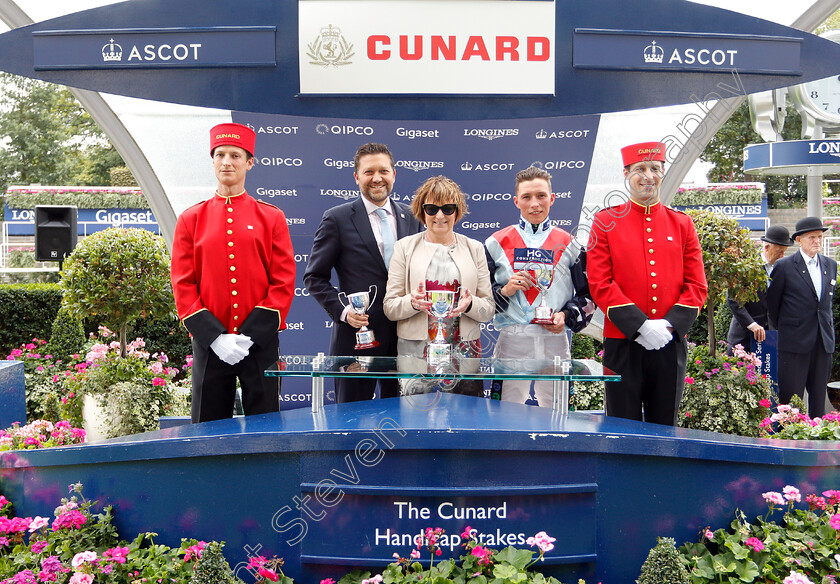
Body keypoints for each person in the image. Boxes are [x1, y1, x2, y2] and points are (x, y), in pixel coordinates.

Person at [170, 122, 295, 423]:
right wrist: (215, 338)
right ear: (212, 161)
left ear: (250, 162)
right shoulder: (191, 219)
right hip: (211, 345)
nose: (227, 161)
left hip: (260, 343)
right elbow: (183, 283)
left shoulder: (271, 217)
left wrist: (249, 335)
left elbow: (283, 280)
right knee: (207, 429)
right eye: (220, 154)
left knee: (265, 428)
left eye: (236, 155)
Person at [587, 141, 707, 425]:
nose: (648, 175)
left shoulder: (682, 224)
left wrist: (668, 325)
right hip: (622, 341)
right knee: (621, 424)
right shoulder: (605, 221)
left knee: (665, 424)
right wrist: (639, 325)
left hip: (669, 341)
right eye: (640, 168)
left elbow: (697, 284)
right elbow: (599, 281)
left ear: (663, 172)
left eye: (655, 168)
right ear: (626, 175)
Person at [304, 143, 423, 403]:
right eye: (369, 172)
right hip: (357, 338)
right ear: (356, 177)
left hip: (405, 336)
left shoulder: (412, 217)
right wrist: (344, 312)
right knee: (351, 420)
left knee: (404, 417)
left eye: (383, 171)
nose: (377, 178)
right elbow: (314, 277)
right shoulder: (337, 218)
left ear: (394, 174)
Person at [484, 166, 594, 406]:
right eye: (527, 197)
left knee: (558, 411)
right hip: (512, 339)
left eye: (541, 196)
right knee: (503, 410)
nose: (535, 203)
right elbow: (480, 299)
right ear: (516, 201)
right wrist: (504, 291)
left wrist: (566, 316)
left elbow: (588, 296)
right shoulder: (495, 242)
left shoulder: (571, 244)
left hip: (554, 339)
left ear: (552, 199)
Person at [383, 175, 495, 396]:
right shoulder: (404, 248)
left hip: (464, 357)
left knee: (464, 423)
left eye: (448, 208)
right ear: (422, 211)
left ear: (457, 211)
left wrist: (471, 304)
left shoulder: (475, 248)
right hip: (414, 357)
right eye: (432, 209)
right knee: (415, 425)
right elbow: (390, 307)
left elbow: (489, 309)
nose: (440, 215)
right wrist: (412, 302)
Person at [766, 216, 836, 417]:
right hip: (793, 343)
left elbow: (825, 305)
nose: (817, 241)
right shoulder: (785, 266)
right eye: (812, 237)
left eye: (820, 237)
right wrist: (787, 332)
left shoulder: (830, 265)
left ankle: (816, 438)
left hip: (823, 342)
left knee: (818, 399)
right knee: (790, 399)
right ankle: (790, 441)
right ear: (798, 240)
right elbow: (773, 305)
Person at [725, 225, 792, 355]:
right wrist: (751, 324)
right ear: (766, 248)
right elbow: (733, 299)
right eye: (779, 251)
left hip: (770, 338)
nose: (782, 255)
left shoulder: (782, 269)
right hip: (743, 337)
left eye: (784, 251)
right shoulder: (746, 267)